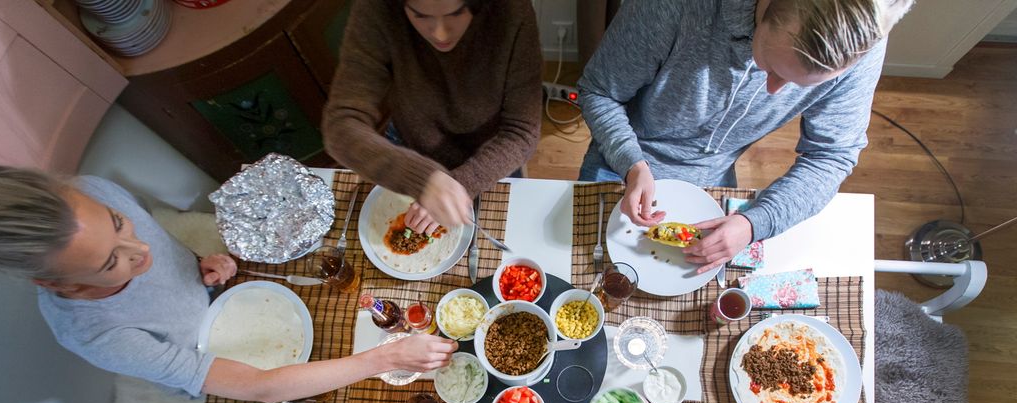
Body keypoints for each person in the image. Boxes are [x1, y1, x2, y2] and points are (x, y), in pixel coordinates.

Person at [0, 167, 456, 401]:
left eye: (120, 223)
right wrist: (386, 357)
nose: (142, 252)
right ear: (62, 286)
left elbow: (160, 255)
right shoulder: (95, 335)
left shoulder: (93, 191)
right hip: (231, 366)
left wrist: (199, 263)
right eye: (113, 261)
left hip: (241, 296)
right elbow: (261, 387)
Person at [577, 0, 914, 272]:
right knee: (583, 267)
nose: (773, 89)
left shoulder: (862, 46)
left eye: (796, 85)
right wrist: (632, 163)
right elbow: (598, 90)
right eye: (770, 66)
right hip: (622, 155)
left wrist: (754, 224)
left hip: (714, 178)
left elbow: (831, 157)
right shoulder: (677, 7)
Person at [322, 0, 542, 234]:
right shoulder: (377, 8)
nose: (440, 33)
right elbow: (341, 125)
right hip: (412, 147)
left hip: (495, 151)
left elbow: (522, 131)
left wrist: (463, 182)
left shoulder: (511, 11)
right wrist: (420, 178)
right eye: (420, 15)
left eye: (456, 14)